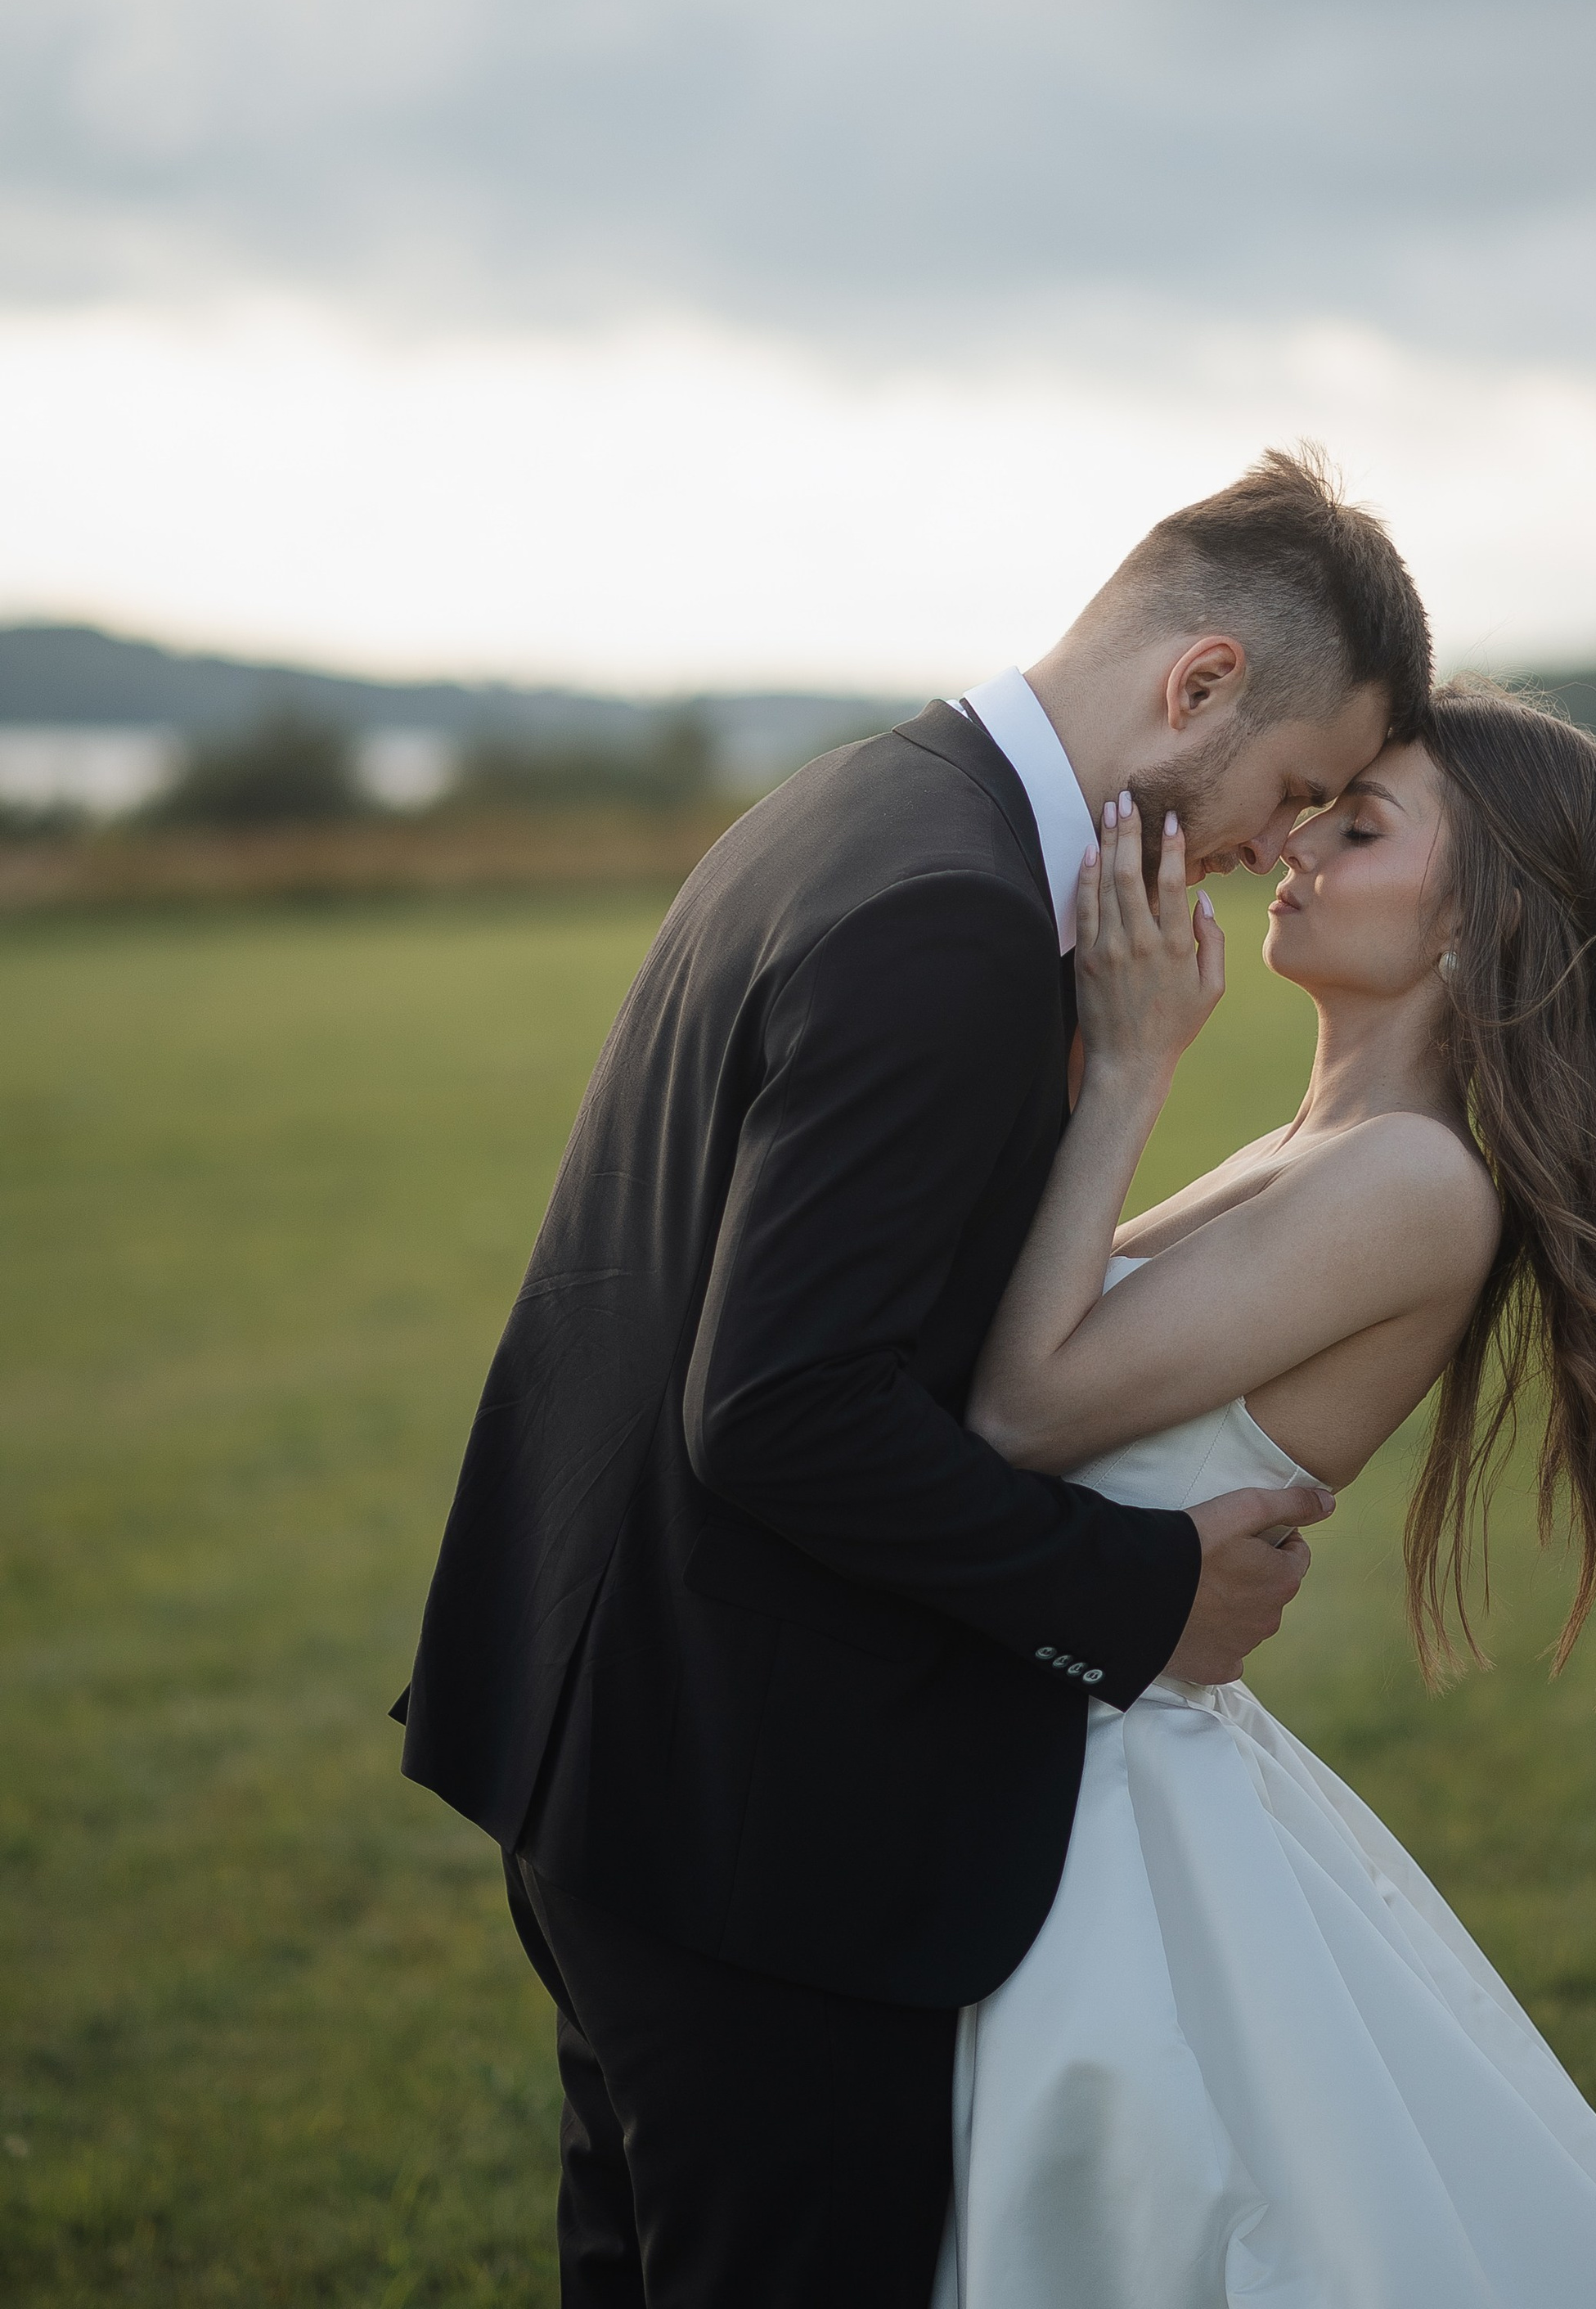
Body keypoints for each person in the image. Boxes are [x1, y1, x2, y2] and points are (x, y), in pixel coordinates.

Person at [391, 447, 1430, 2307]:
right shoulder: (949, 916)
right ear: (1195, 681)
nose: (1276, 843)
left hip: (614, 1754)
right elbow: (781, 1403)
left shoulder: (864, 801)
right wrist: (1145, 1593)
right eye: (1290, 790)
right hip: (747, 1821)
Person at [942, 686, 1596, 2308]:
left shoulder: (1409, 1180)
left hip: (1112, 1829)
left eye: (1357, 826)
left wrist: (1122, 1072)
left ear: (1478, 914)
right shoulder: (1312, 1142)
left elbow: (1019, 1405)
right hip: (1054, 1768)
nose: (1290, 850)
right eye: (1310, 808)